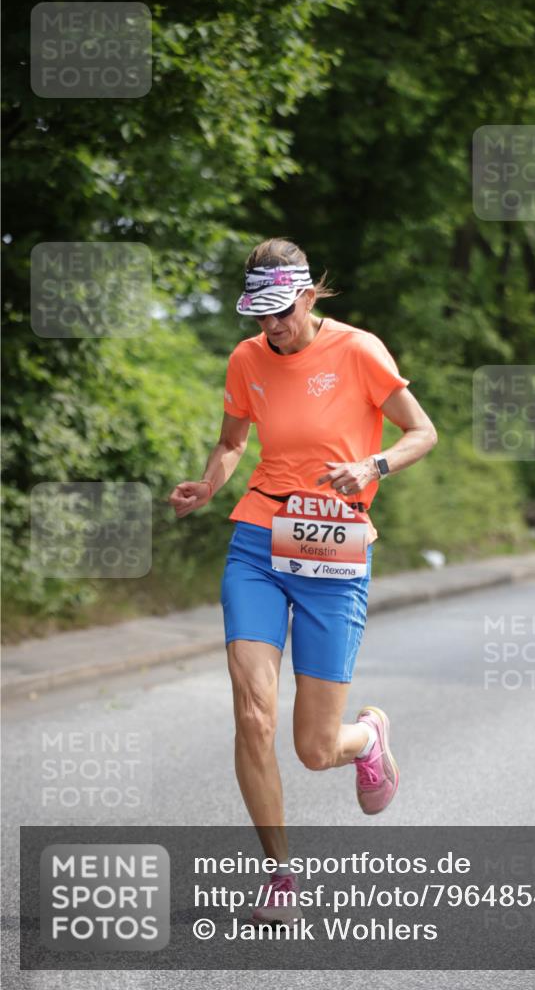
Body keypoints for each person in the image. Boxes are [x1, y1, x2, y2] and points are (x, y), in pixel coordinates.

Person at [169, 238, 437, 924]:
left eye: (281, 313)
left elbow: (421, 433)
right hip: (259, 538)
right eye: (260, 317)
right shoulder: (246, 358)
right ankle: (280, 877)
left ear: (309, 297)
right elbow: (232, 443)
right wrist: (207, 484)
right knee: (252, 710)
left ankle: (368, 740)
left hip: (336, 550)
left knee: (315, 750)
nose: (271, 327)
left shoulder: (358, 350)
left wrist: (373, 467)